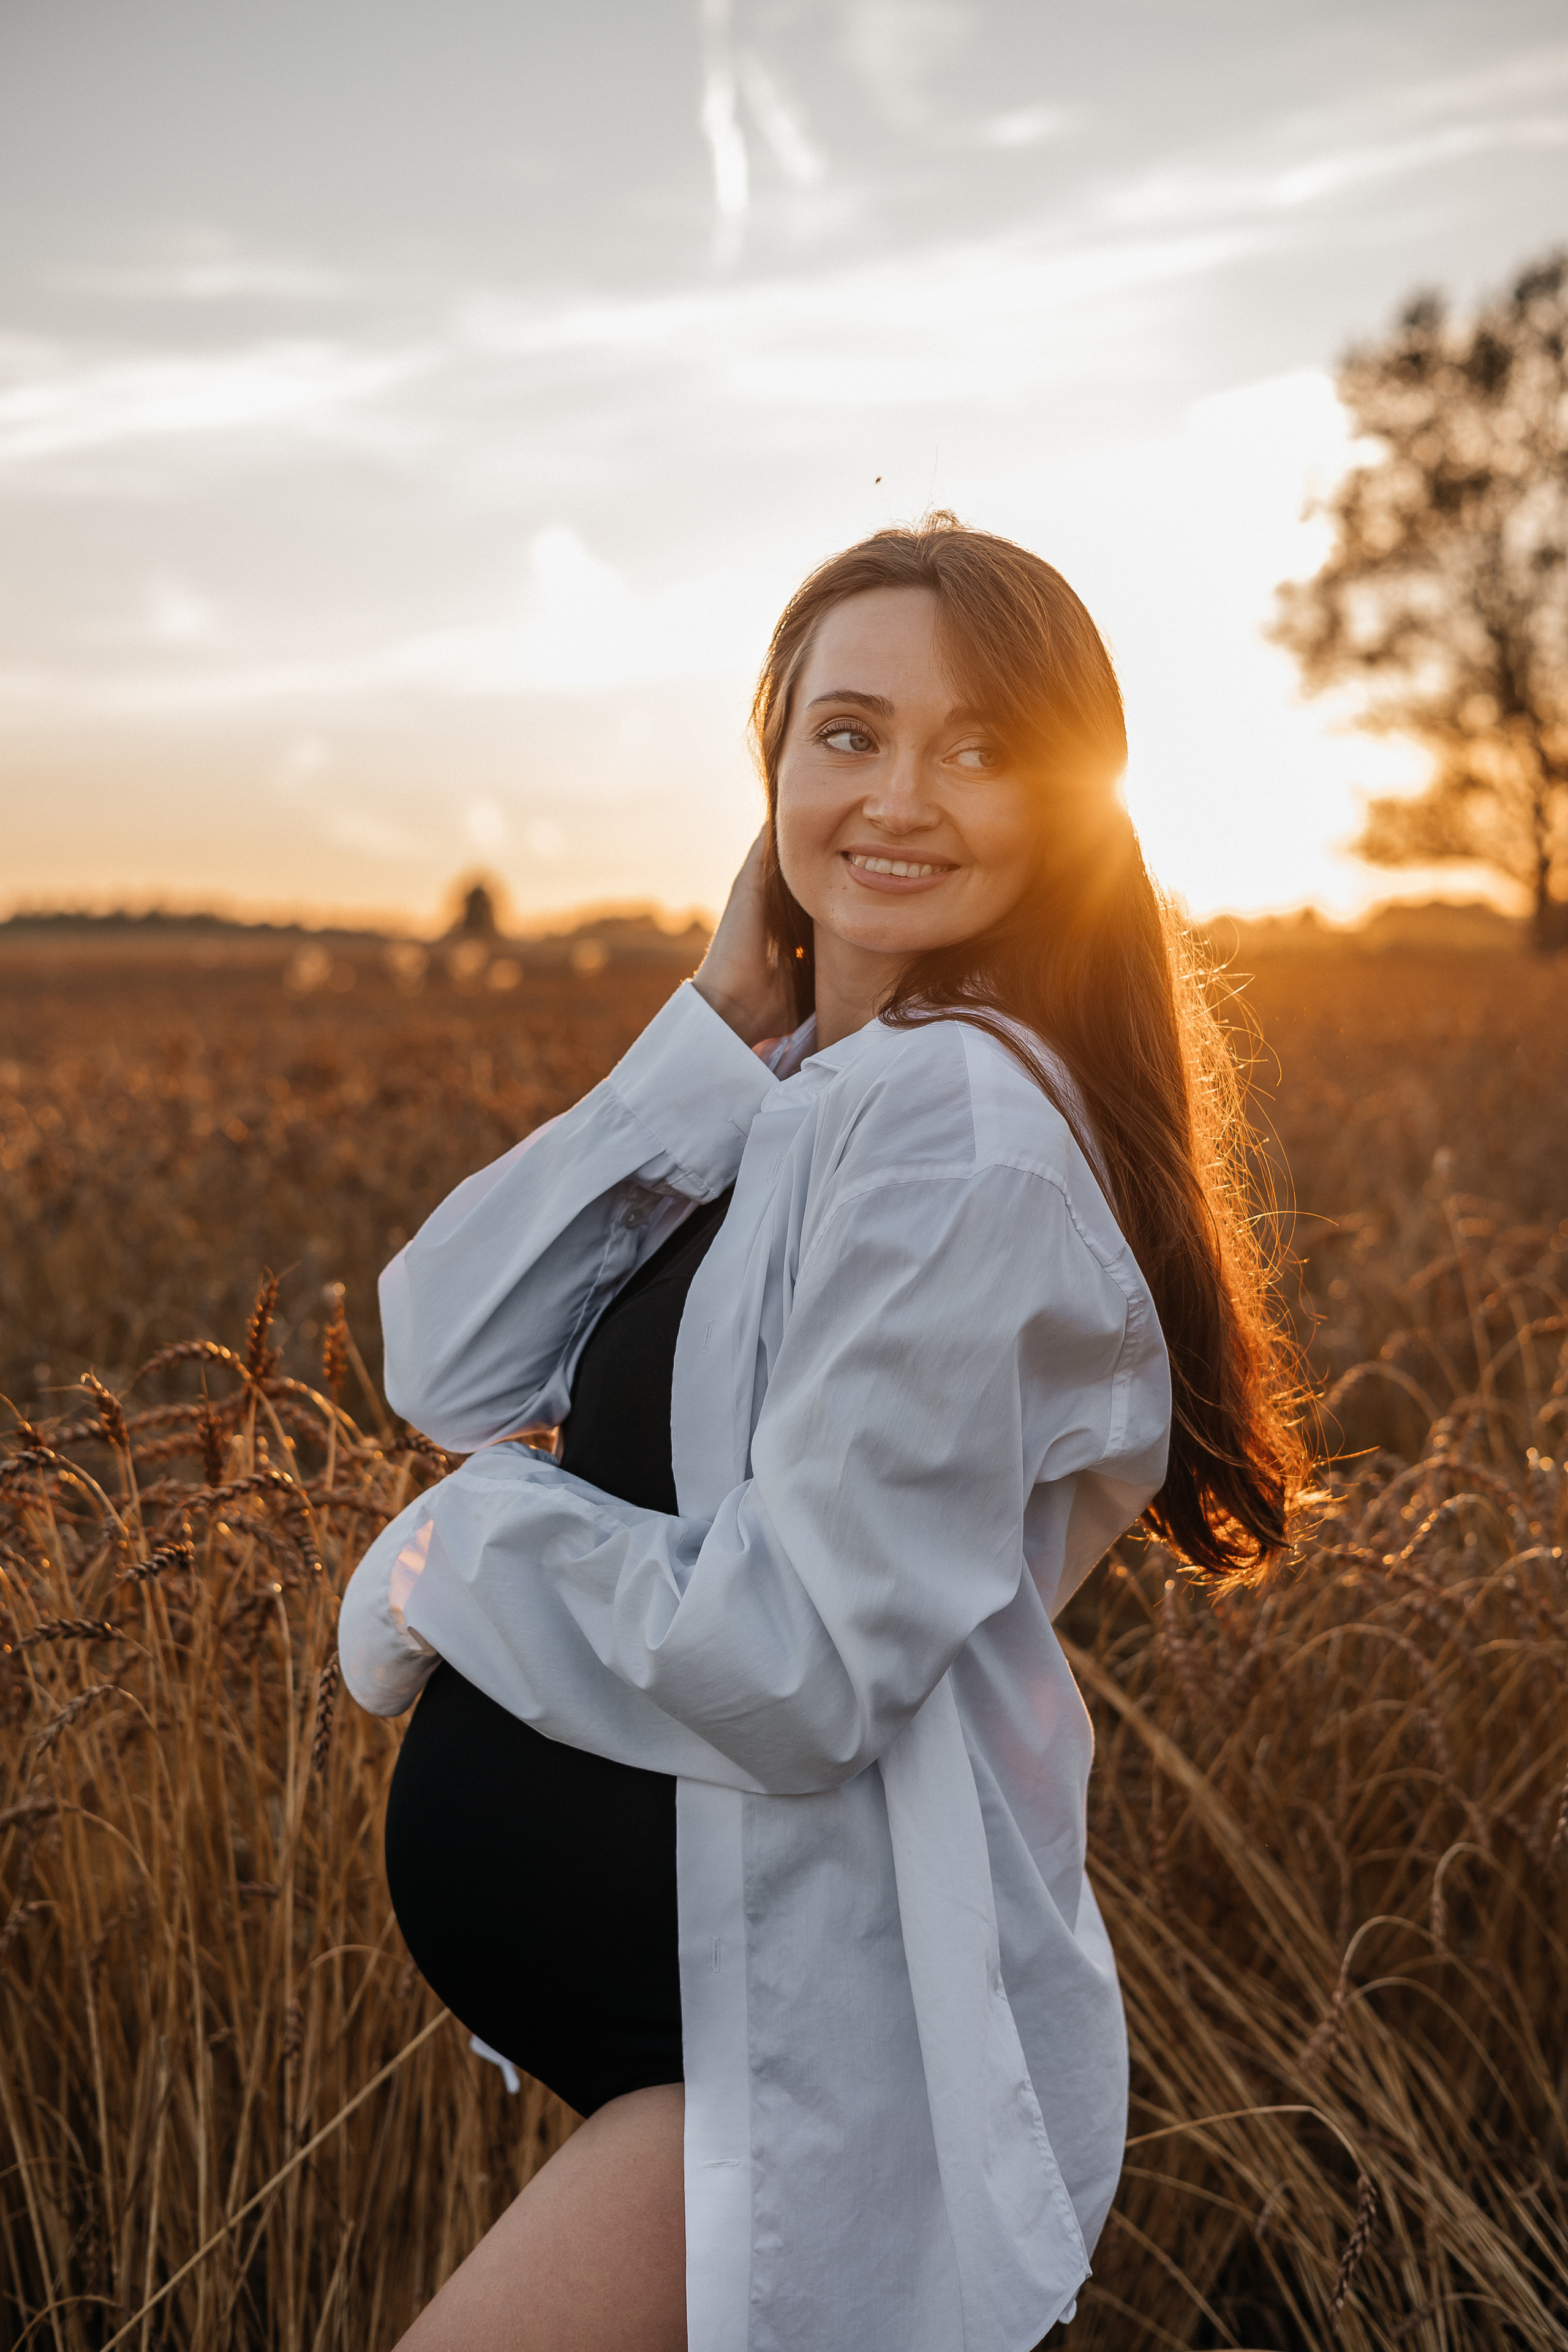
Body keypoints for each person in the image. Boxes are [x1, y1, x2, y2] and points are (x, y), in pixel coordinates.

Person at [339, 514, 1305, 2352]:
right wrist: (713, 1028)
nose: (902, 797)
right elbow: (444, 1353)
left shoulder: (956, 1126)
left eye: (982, 747)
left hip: (780, 2032)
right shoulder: (804, 1094)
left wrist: (445, 1560)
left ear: (1072, 804)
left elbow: (796, 1662)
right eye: (848, 734)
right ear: (770, 766)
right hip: (706, 2012)